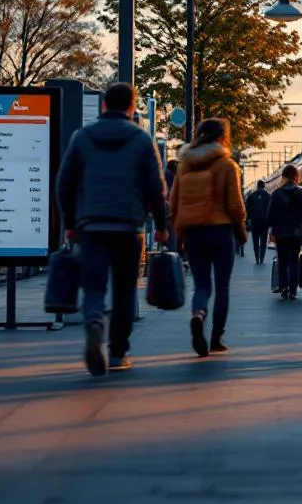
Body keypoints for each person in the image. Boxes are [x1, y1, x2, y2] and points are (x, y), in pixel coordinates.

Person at [55, 82, 169, 376]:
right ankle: (118, 353)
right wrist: (161, 225)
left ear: (104, 105)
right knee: (123, 289)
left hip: (92, 225)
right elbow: (157, 188)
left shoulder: (82, 137)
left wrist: (70, 224)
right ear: (132, 108)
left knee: (93, 284)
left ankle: (94, 321)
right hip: (129, 226)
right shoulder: (142, 140)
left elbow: (64, 184)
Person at [170, 118, 247, 357]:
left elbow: (174, 203)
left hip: (194, 232)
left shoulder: (184, 166)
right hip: (221, 231)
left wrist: (179, 233)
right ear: (223, 137)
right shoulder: (227, 165)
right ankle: (216, 338)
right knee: (222, 286)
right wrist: (242, 224)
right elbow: (235, 206)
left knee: (202, 285)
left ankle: (198, 314)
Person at [267, 165, 302, 300]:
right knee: (294, 261)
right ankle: (293, 290)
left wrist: (271, 229)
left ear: (284, 177)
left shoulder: (276, 194)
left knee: (282, 261)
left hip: (280, 232)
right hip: (296, 233)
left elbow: (270, 215)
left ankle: (284, 287)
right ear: (296, 176)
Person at [245, 180, 272, 264]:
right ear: (264, 186)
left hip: (254, 222)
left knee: (255, 241)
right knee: (263, 242)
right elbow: (271, 209)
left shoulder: (251, 196)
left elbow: (246, 209)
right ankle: (262, 259)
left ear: (257, 186)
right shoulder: (268, 196)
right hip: (265, 223)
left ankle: (257, 258)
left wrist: (248, 221)